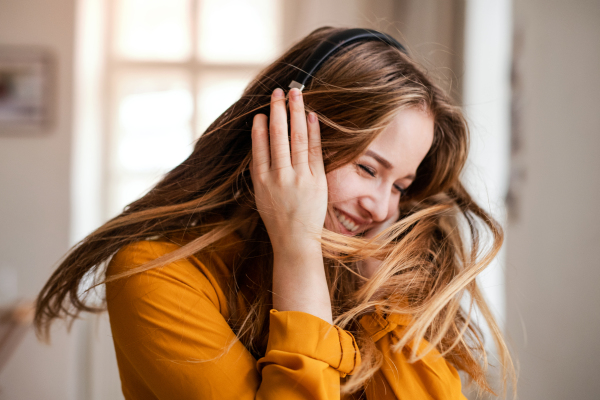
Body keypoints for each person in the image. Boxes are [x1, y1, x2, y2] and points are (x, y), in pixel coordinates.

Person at [34, 27, 515, 399]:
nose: (383, 208)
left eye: (400, 186)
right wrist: (298, 250)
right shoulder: (154, 275)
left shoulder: (365, 271)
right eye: (369, 168)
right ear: (283, 137)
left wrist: (384, 296)